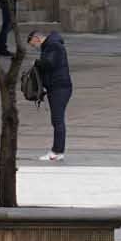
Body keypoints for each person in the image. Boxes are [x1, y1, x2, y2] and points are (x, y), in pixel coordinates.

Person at [27, 29, 73, 161]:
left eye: (32, 44)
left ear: (36, 38)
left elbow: (49, 64)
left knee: (57, 120)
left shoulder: (53, 45)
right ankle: (57, 150)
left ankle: (57, 151)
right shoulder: (49, 46)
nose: (34, 47)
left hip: (60, 87)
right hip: (56, 87)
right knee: (56, 120)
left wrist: (36, 63)